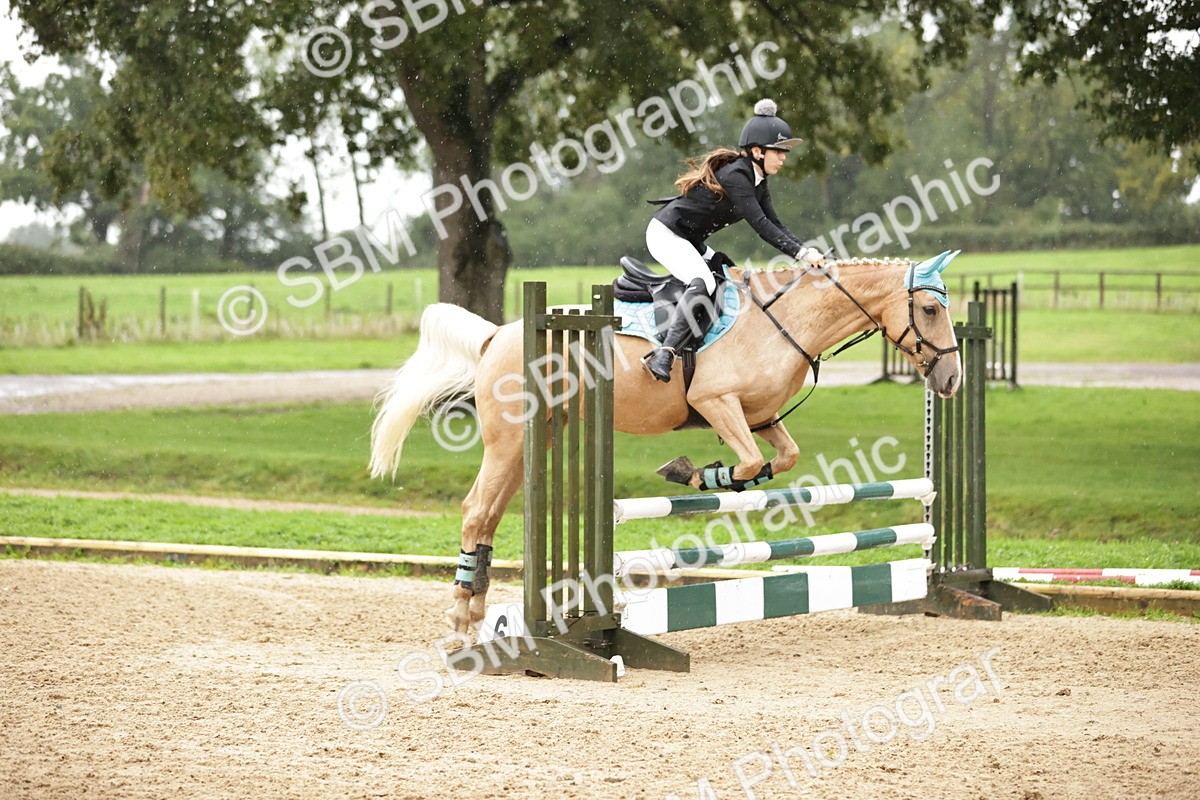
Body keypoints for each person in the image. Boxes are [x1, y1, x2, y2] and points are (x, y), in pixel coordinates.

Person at [642, 98, 825, 382]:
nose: (784, 157)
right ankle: (664, 354)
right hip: (667, 235)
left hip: (690, 240)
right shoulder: (738, 177)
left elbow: (776, 223)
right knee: (705, 282)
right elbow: (762, 226)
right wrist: (802, 254)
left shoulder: (758, 181)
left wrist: (807, 250)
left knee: (726, 275)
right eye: (779, 151)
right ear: (757, 151)